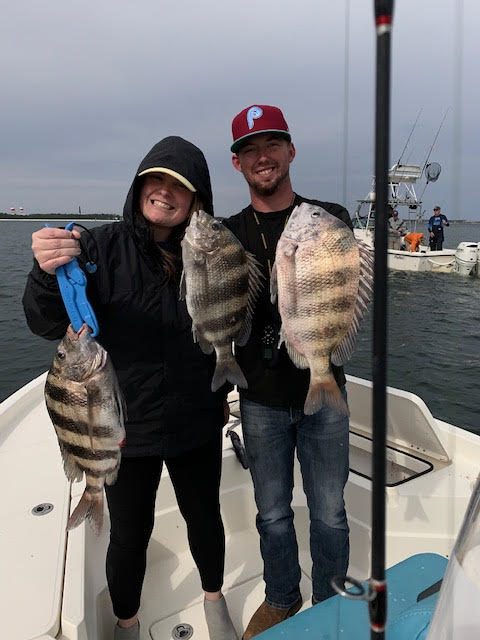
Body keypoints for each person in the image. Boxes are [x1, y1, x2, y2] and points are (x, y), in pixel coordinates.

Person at [22, 137, 238, 640]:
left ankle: (213, 599)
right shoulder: (98, 248)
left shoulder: (210, 249)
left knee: (205, 517)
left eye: (180, 186)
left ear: (198, 199)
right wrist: (44, 270)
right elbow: (43, 320)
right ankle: (127, 622)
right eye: (155, 180)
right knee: (128, 535)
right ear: (140, 185)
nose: (165, 192)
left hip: (195, 416)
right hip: (123, 424)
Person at [222, 105, 351, 639]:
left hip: (325, 389)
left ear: (291, 151)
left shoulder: (328, 221)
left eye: (272, 144)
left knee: (330, 511)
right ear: (237, 164)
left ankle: (330, 597)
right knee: (271, 512)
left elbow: (348, 298)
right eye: (250, 149)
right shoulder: (227, 234)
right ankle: (281, 597)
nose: (263, 157)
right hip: (260, 399)